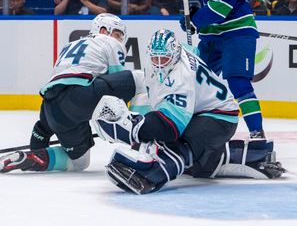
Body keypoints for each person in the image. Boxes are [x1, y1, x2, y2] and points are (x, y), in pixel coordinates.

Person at [94, 29, 284, 194]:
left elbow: (169, 128)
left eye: (164, 58)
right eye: (156, 58)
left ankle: (149, 175)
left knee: (179, 147)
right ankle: (251, 157)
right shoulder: (170, 56)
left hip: (219, 117)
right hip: (200, 110)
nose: (159, 63)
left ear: (175, 55)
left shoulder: (181, 77)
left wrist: (132, 127)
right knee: (193, 163)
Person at [0, 14, 145, 174]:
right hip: (81, 96)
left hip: (51, 107)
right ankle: (142, 144)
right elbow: (120, 84)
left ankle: (32, 159)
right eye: (117, 34)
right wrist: (124, 124)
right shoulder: (110, 42)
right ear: (104, 30)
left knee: (79, 162)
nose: (119, 40)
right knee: (141, 79)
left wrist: (36, 148)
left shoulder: (70, 46)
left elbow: (42, 128)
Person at [183, 0, 265, 139]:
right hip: (214, 34)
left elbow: (221, 7)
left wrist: (196, 20)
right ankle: (188, 129)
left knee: (238, 83)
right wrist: (194, 13)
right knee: (195, 81)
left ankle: (257, 132)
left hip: (236, 33)